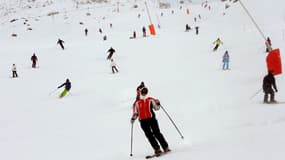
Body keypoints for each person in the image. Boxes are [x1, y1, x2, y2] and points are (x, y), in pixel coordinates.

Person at [130, 87, 170, 156]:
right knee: (149, 135)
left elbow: (156, 108)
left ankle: (165, 147)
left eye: (145, 91)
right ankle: (157, 149)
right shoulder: (137, 103)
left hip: (152, 119)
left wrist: (158, 103)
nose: (144, 93)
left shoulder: (150, 100)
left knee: (157, 133)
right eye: (143, 91)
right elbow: (135, 113)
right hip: (143, 121)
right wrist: (133, 118)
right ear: (140, 92)